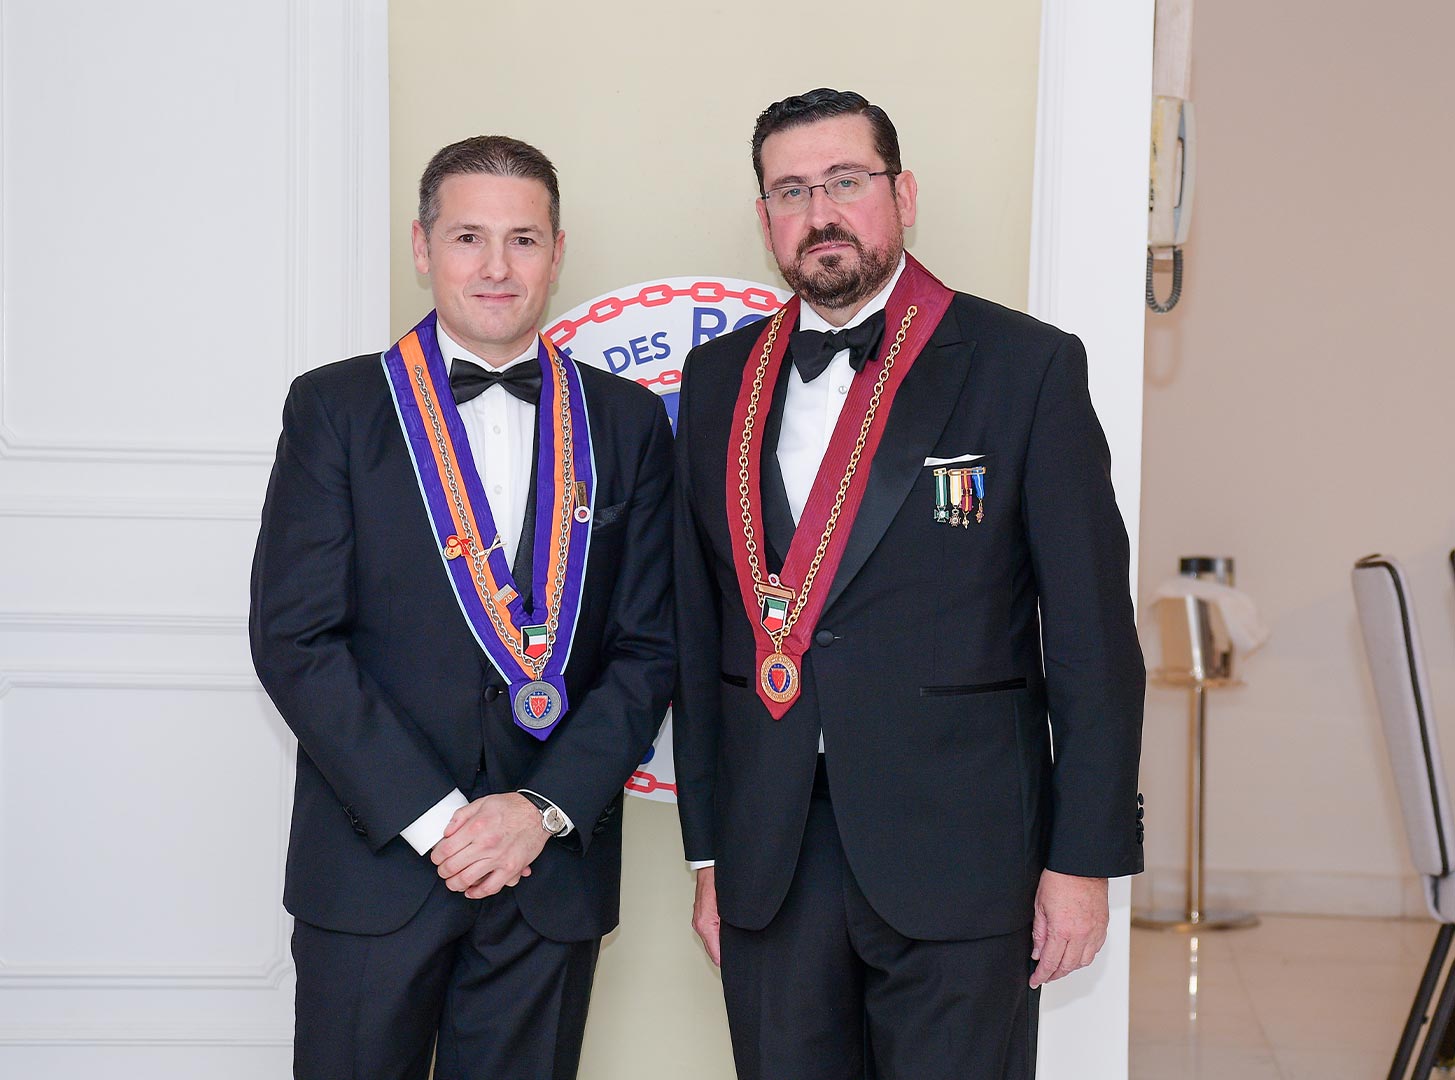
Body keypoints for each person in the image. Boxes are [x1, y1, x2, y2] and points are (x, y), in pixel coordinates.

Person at [672, 89, 1145, 1080]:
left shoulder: (1025, 367)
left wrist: (1083, 859)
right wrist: (709, 854)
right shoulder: (716, 379)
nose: (820, 213)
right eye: (791, 191)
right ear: (764, 217)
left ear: (904, 195)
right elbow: (701, 631)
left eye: (846, 181)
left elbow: (1092, 637)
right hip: (771, 860)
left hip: (966, 859)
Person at [250, 135, 674, 1080]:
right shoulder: (334, 408)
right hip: (374, 867)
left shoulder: (628, 422)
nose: (495, 267)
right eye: (467, 237)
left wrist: (538, 811)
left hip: (547, 872)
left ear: (557, 253)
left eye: (523, 240)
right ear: (421, 246)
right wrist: (439, 819)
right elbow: (294, 639)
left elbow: (649, 649)